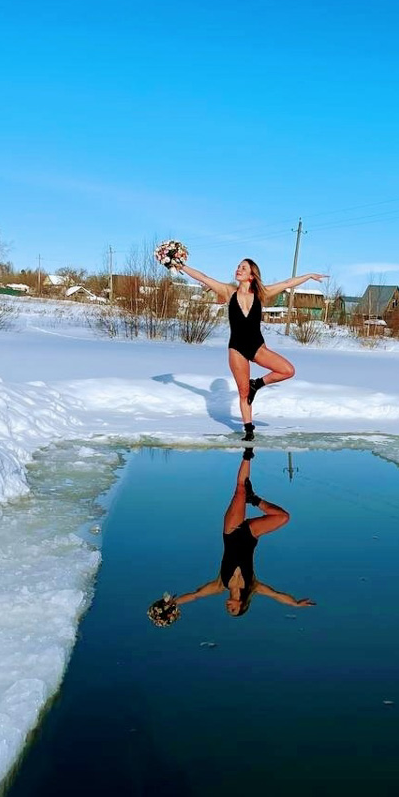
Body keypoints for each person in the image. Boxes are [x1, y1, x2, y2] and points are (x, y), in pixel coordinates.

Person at [163, 252, 323, 441]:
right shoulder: (228, 291)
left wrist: (309, 276)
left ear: (252, 275)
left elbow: (287, 283)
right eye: (238, 267)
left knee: (288, 370)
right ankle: (248, 429)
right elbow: (203, 277)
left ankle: (257, 384)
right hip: (237, 348)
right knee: (243, 392)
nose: (238, 269)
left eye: (243, 268)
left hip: (257, 346)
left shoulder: (262, 293)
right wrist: (180, 265)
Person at [147, 451, 316, 625]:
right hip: (251, 535)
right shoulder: (253, 586)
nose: (228, 608)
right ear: (241, 605)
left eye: (229, 610)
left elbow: (196, 595)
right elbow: (276, 595)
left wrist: (173, 603)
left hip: (232, 532)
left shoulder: (220, 585)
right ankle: (254, 499)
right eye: (233, 610)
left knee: (240, 490)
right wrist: (295, 604)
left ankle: (247, 453)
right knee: (283, 517)